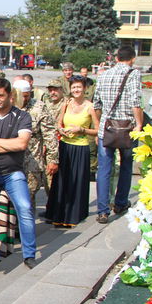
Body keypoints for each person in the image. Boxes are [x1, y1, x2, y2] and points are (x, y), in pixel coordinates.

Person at [0, 77, 37, 273]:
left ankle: (29, 254)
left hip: (13, 173)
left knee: (25, 209)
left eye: (0, 95)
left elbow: (21, 144)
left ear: (10, 95)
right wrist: (6, 143)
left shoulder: (22, 117)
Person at [93, 45, 143, 224]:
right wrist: (139, 124)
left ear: (116, 58)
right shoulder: (133, 73)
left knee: (104, 169)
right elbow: (135, 101)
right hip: (126, 128)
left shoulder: (104, 74)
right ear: (133, 58)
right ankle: (120, 202)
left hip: (106, 129)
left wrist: (99, 125)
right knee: (126, 166)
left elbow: (96, 104)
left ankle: (102, 210)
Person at [45, 75, 99, 227]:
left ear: (85, 89)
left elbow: (98, 130)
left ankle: (73, 215)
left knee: (76, 182)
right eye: (73, 87)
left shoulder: (90, 107)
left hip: (81, 148)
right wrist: (61, 130)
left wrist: (82, 130)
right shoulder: (66, 104)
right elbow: (58, 122)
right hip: (64, 146)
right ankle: (57, 214)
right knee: (61, 181)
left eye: (79, 87)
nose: (76, 90)